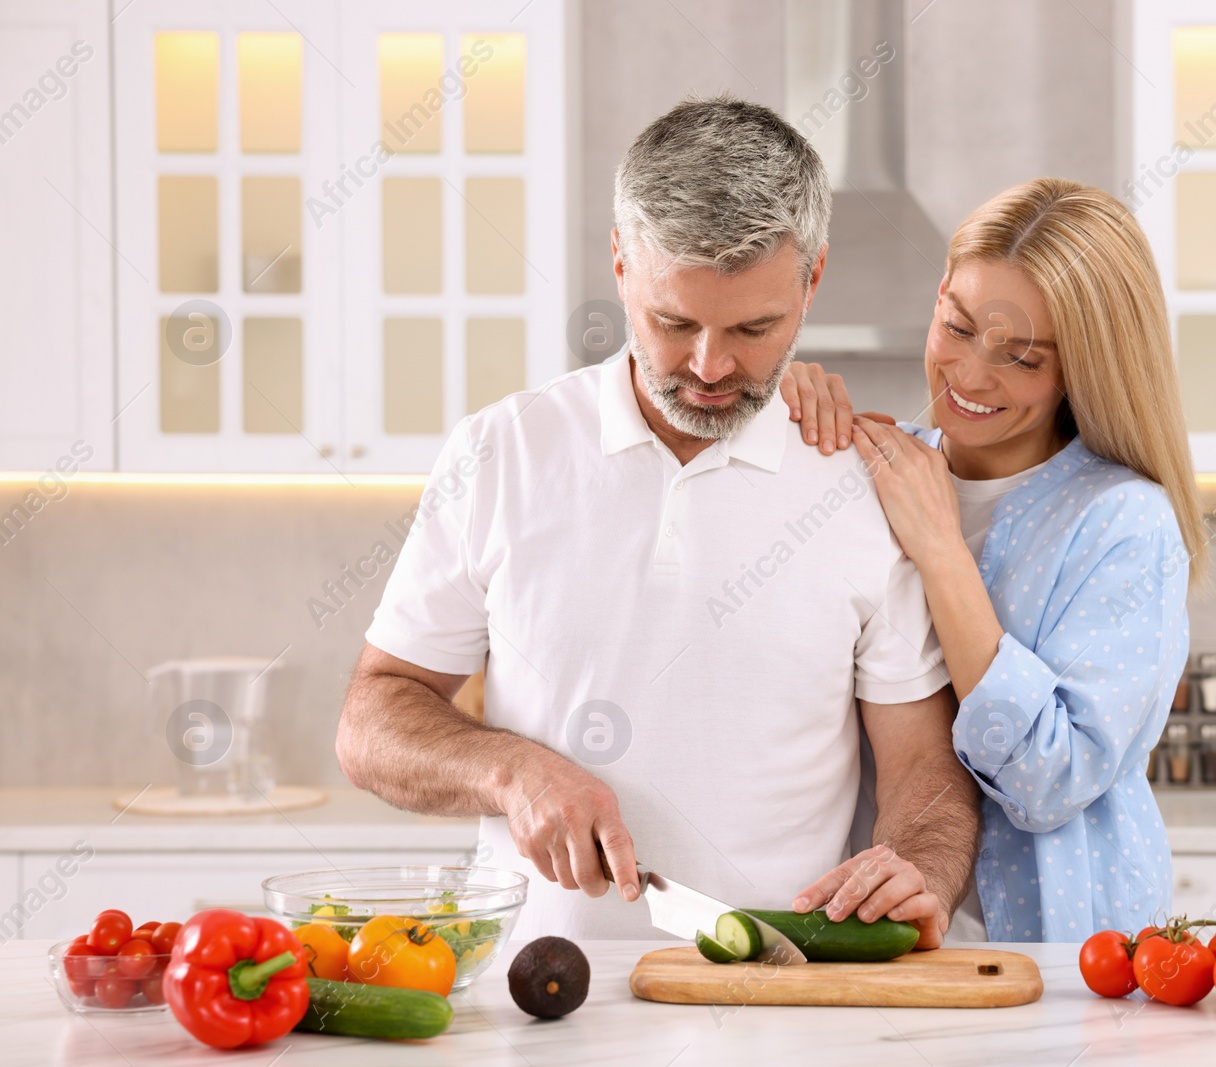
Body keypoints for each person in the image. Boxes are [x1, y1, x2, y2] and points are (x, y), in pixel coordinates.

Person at [336, 96, 980, 944]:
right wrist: (509, 770)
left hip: (786, 1004)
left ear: (813, 279)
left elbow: (924, 767)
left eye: (755, 327)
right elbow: (373, 718)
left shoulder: (863, 484)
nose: (711, 367)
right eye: (674, 323)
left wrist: (918, 867)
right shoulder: (502, 453)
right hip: (536, 997)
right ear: (620, 264)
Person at [780, 178, 1206, 940]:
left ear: (1085, 366)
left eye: (1023, 357)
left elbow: (1052, 777)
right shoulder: (875, 476)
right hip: (882, 934)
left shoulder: (1122, 523)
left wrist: (942, 550)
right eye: (958, 324)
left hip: (1060, 956)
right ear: (939, 293)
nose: (971, 375)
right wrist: (776, 402)